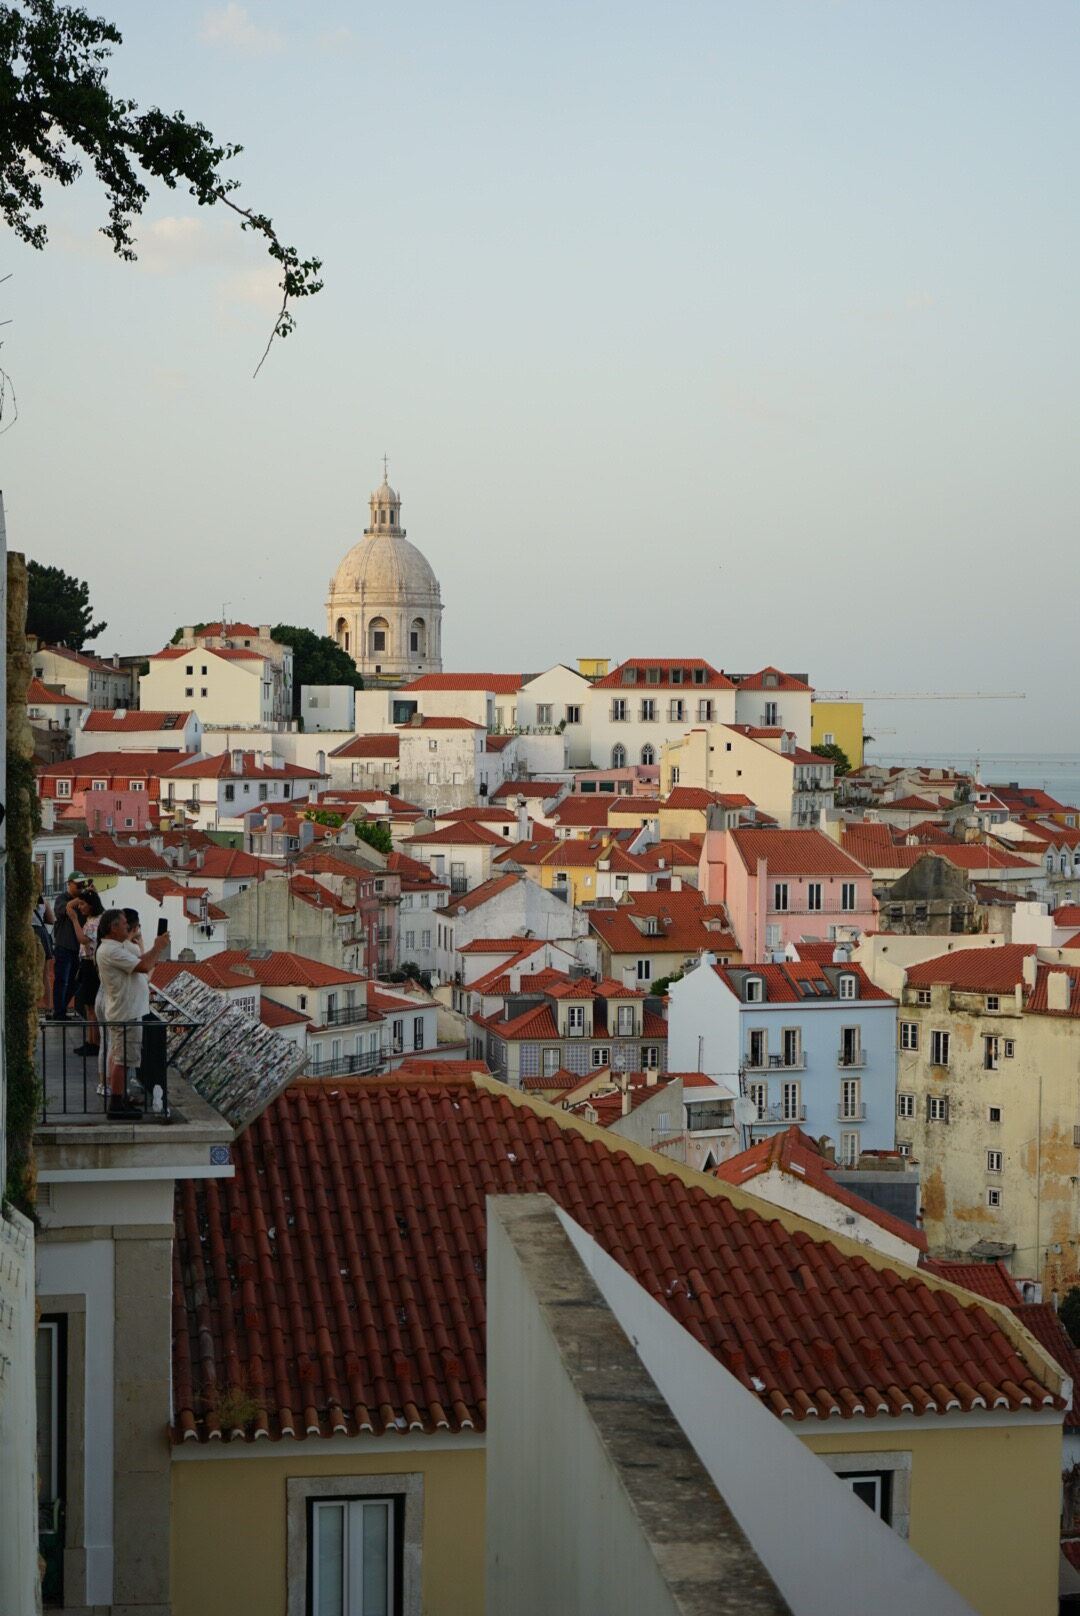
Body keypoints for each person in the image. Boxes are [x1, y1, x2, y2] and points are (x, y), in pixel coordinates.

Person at [95, 909, 169, 1119]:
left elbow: (141, 955)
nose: (128, 926)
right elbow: (145, 965)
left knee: (122, 1056)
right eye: (125, 923)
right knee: (123, 1059)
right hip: (125, 1012)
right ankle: (117, 1105)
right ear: (113, 927)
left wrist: (148, 944)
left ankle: (120, 1098)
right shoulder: (111, 951)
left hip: (127, 1011)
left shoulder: (118, 946)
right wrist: (159, 946)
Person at [69, 888, 104, 1058]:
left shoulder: (96, 921)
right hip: (86, 963)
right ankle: (90, 1041)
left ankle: (94, 1042)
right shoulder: (91, 918)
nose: (80, 907)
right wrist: (84, 893)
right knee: (88, 1005)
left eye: (83, 904)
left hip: (91, 964)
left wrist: (75, 920)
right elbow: (70, 906)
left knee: (91, 1005)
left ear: (91, 905)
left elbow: (83, 939)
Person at [50, 872, 85, 1020]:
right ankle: (59, 1012)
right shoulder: (62, 898)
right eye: (79, 885)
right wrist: (81, 898)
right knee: (61, 980)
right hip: (64, 946)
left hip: (78, 948)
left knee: (75, 982)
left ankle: (61, 1008)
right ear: (69, 884)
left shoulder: (83, 902)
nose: (81, 888)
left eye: (83, 885)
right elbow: (64, 909)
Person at [32, 884, 55, 998]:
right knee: (45, 975)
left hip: (29, 934)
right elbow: (51, 920)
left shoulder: (24, 904)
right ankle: (48, 1008)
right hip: (42, 935)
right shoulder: (44, 903)